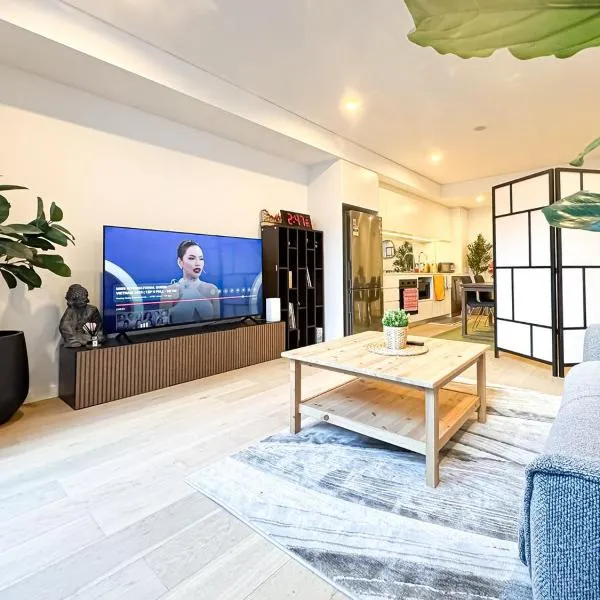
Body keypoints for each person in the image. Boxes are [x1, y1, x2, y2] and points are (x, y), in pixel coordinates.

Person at [160, 240, 220, 323]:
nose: (198, 263)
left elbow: (217, 323)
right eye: (191, 258)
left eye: (201, 259)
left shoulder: (212, 289)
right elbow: (162, 323)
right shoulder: (169, 291)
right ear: (180, 262)